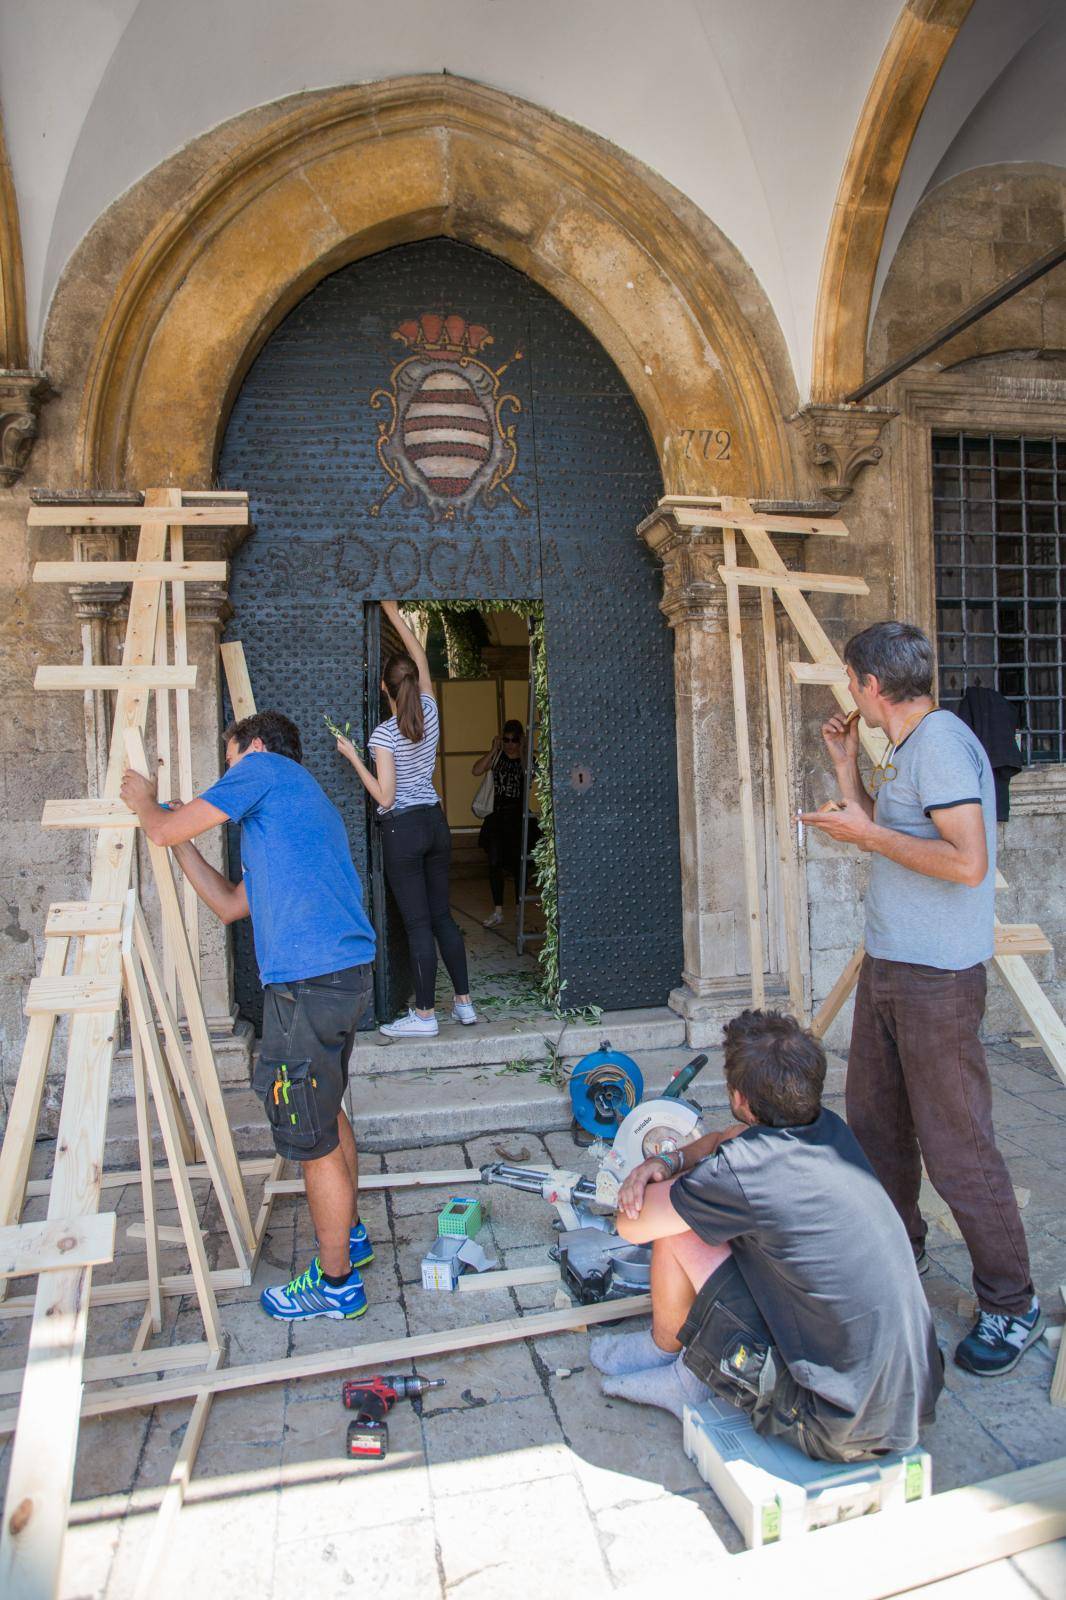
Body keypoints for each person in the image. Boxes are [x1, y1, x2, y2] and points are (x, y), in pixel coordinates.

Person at [799, 620, 1042, 1376]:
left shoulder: (938, 744)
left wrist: (865, 837)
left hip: (937, 977)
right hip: (892, 967)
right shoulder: (908, 749)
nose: (852, 695)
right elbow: (888, 826)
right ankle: (898, 1258)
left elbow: (966, 863)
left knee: (957, 1145)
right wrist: (846, 768)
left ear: (872, 686)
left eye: (852, 682)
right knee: (878, 1127)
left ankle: (1013, 1303)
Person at [591, 1010, 943, 1463]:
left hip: (833, 1422)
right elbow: (727, 1136)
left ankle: (683, 1378)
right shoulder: (828, 1128)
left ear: (739, 1097)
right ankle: (664, 1351)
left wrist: (648, 1173)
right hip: (912, 1399)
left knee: (680, 1227)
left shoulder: (743, 1171)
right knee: (711, 1217)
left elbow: (633, 1224)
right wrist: (675, 1160)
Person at [120, 710, 376, 1323]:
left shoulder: (264, 768)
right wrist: (180, 836)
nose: (230, 775)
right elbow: (232, 904)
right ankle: (352, 1236)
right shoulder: (298, 812)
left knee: (307, 1137)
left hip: (306, 986)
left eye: (229, 761)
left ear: (254, 748)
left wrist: (148, 805)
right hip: (340, 978)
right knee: (326, 1109)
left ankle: (336, 1283)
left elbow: (157, 830)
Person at [337, 599, 476, 1037]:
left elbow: (385, 794)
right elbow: (418, 655)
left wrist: (353, 758)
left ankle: (424, 1015)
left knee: (417, 925)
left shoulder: (383, 734)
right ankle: (465, 1004)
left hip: (403, 829)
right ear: (414, 683)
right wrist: (395, 614)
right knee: (442, 919)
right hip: (436, 824)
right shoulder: (430, 712)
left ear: (384, 688)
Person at [471, 719, 526, 927]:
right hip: (497, 816)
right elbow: (476, 770)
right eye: (506, 739)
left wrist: (522, 750)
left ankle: (520, 908)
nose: (510, 744)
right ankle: (498, 910)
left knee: (519, 864)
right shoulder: (498, 757)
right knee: (494, 863)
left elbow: (533, 775)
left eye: (514, 740)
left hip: (517, 817)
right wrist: (493, 750)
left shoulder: (525, 758)